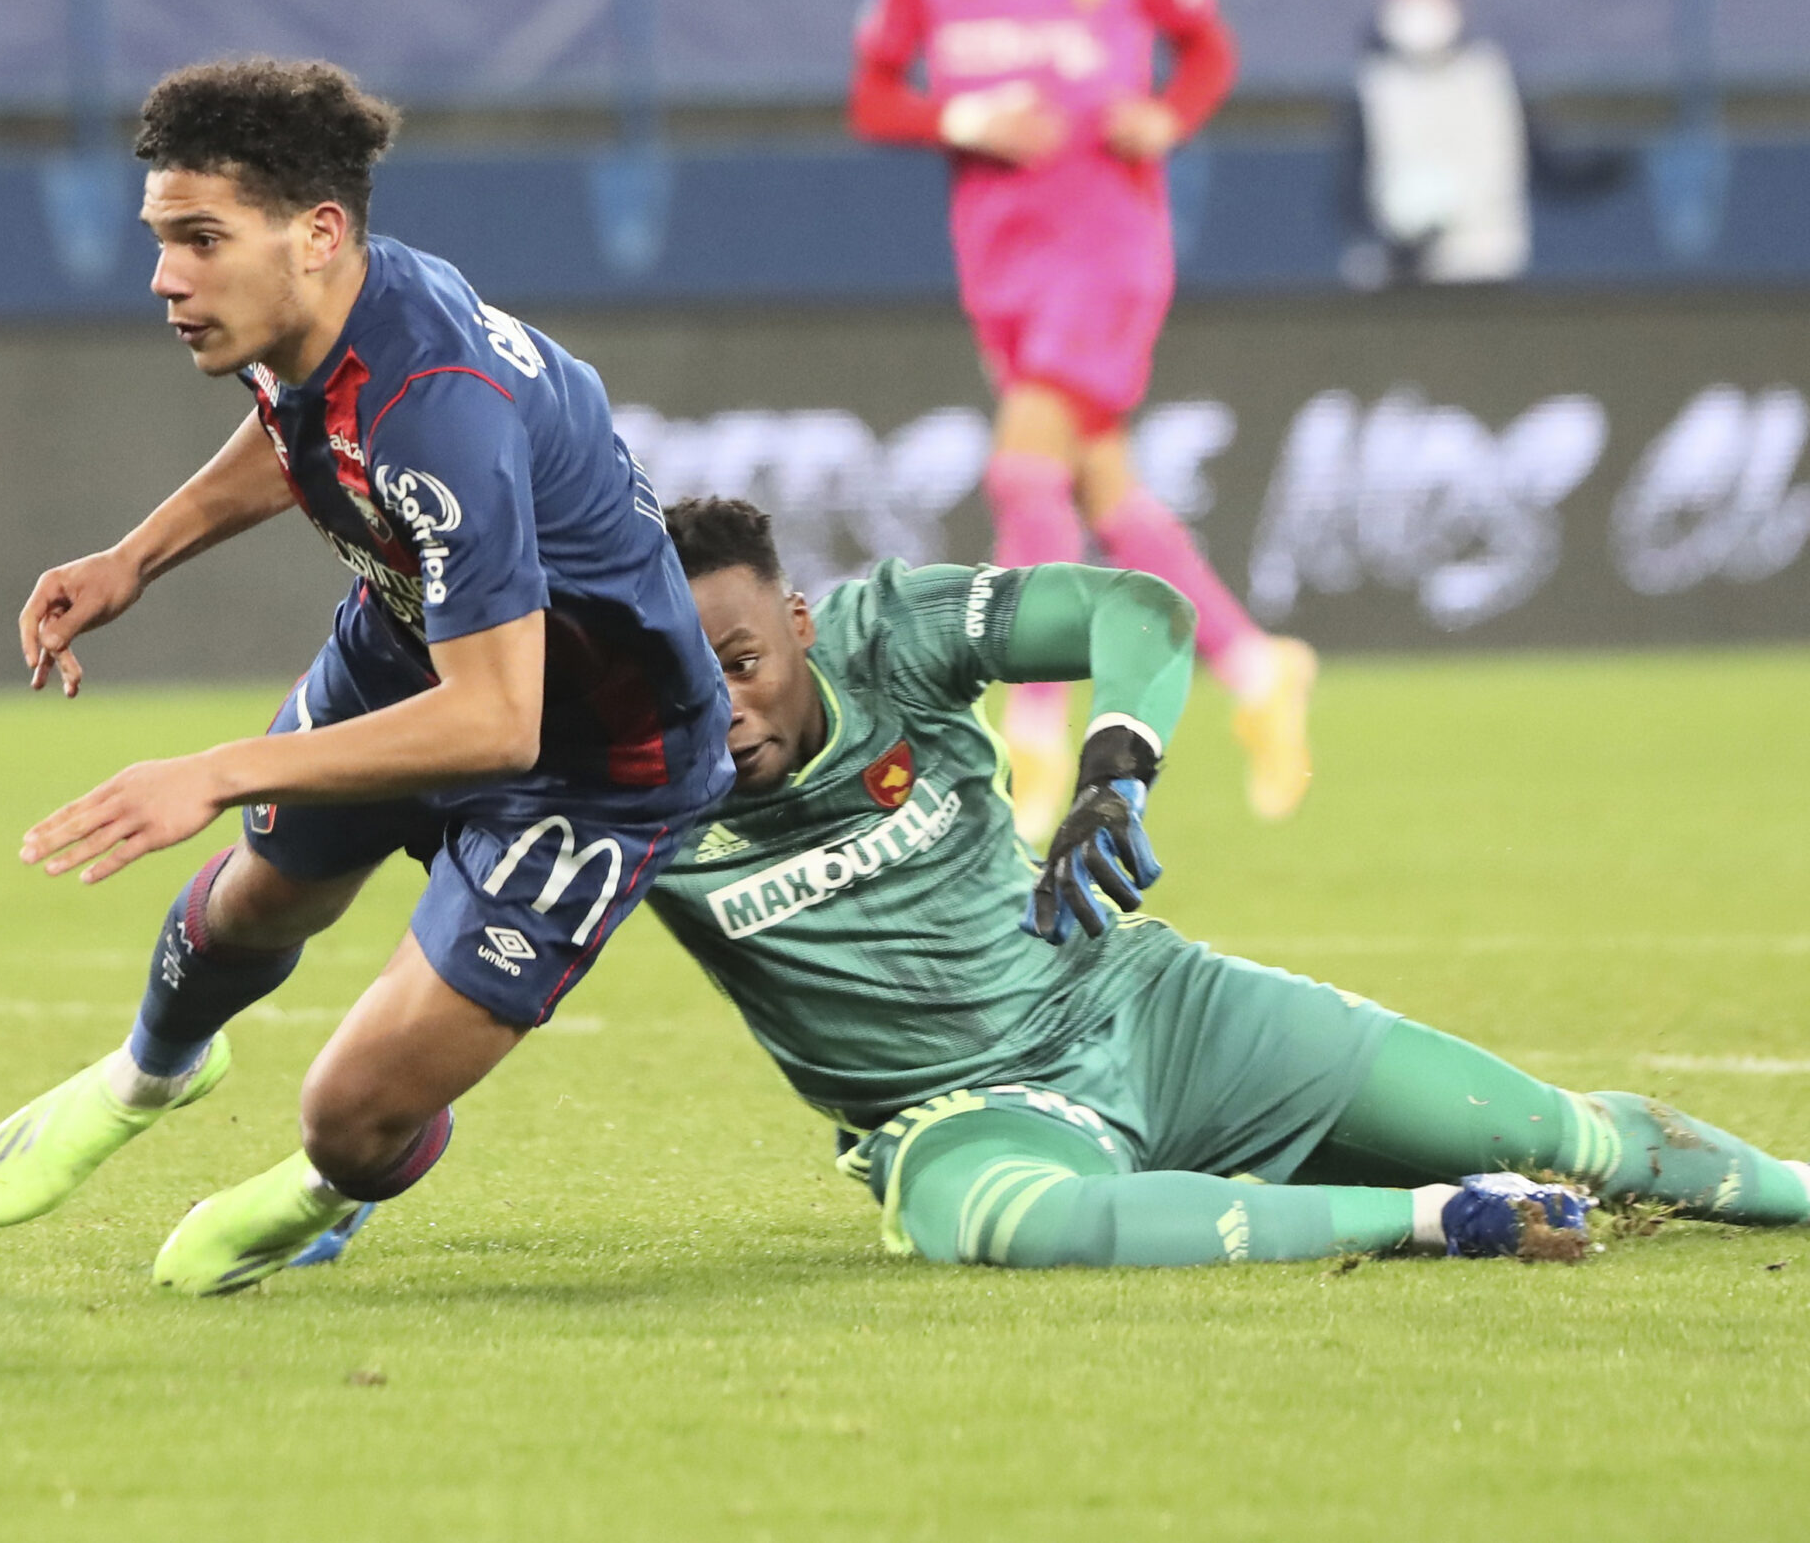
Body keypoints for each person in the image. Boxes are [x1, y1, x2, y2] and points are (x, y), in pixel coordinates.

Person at [0, 57, 733, 1294]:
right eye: (161, 238)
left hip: (597, 757)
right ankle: (148, 1073)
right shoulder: (318, 306)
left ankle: (324, 1190)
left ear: (314, 234)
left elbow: (497, 716)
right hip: (414, 641)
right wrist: (135, 558)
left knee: (352, 1111)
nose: (166, 276)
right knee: (255, 900)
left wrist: (215, 768)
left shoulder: (440, 405)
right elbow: (302, 430)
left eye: (198, 240)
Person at [627, 496, 1807, 1269]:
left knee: (1558, 1131)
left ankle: (1792, 1186)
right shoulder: (615, 781)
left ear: (797, 624)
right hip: (963, 1112)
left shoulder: (890, 635)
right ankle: (1436, 1218)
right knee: (1007, 1226)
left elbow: (1137, 605)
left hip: (1154, 1012)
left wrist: (1114, 768)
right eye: (683, 676)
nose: (720, 705)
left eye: (743, 663)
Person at [847, 0, 1314, 839]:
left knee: (1021, 467)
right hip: (998, 252)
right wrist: (965, 120)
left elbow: (1206, 52)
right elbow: (874, 95)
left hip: (1107, 243)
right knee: (1103, 492)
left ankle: (1036, 730)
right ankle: (1255, 668)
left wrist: (1169, 116)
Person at [1341, 0, 1630, 289]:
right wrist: (1385, 243)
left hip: (1487, 268)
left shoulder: (1490, 72)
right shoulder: (1372, 83)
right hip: (1399, 276)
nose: (1419, 4)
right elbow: (1351, 185)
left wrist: (1601, 172)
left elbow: (1540, 162)